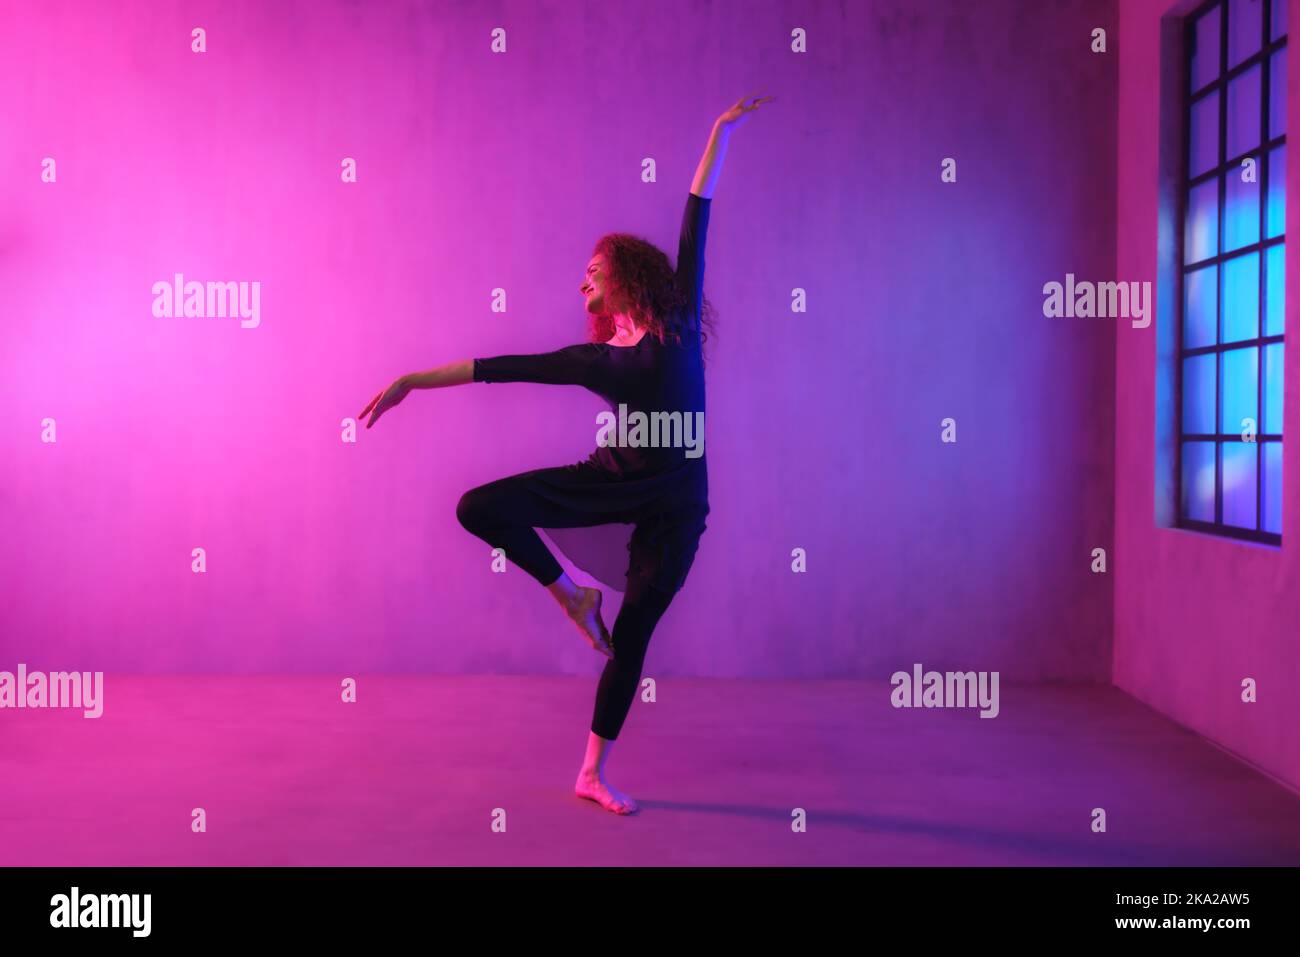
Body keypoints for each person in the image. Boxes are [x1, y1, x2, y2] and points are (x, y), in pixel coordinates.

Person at [360, 94, 775, 815]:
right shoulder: (592, 358)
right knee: (478, 506)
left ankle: (591, 770)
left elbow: (696, 216)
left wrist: (718, 133)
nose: (583, 280)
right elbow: (502, 366)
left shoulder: (676, 318)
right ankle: (571, 593)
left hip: (678, 506)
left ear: (625, 273)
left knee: (634, 635)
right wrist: (411, 381)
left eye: (593, 268)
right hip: (610, 481)